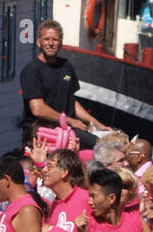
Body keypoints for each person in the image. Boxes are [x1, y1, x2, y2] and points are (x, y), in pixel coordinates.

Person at [20, 19, 106, 149]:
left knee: (107, 141)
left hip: (67, 130)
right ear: (38, 42)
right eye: (46, 39)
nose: (50, 43)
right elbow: (37, 109)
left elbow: (72, 102)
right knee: (99, 146)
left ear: (60, 43)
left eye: (55, 40)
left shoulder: (66, 66)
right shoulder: (31, 70)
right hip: (42, 133)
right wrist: (70, 121)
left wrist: (98, 124)